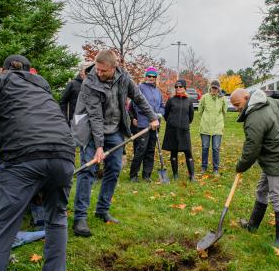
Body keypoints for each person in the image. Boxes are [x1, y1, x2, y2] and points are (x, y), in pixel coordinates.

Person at [0, 55, 75, 271]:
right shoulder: (43, 89)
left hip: (21, 158)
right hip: (63, 155)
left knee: (0, 229)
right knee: (56, 219)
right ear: (31, 71)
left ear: (1, 70)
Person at [71, 49, 159, 237]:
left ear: (114, 67)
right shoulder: (89, 83)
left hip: (115, 130)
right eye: (98, 70)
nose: (99, 73)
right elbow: (95, 117)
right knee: (87, 171)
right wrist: (99, 146)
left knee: (114, 169)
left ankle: (102, 210)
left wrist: (152, 117)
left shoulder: (124, 78)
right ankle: (80, 217)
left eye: (103, 70)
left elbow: (138, 98)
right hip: (91, 131)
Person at [230, 88, 279, 248]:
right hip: (272, 155)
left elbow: (251, 149)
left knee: (278, 198)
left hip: (278, 157)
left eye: (238, 105)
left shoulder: (255, 118)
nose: (237, 108)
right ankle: (252, 225)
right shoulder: (267, 101)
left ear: (247, 97)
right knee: (261, 190)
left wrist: (240, 166)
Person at [129, 67, 165, 182]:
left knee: (150, 150)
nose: (151, 78)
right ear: (145, 76)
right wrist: (150, 117)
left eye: (153, 77)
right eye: (149, 76)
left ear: (156, 78)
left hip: (155, 125)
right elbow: (136, 105)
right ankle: (134, 175)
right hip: (144, 124)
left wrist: (159, 115)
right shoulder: (140, 88)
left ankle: (146, 175)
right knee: (141, 149)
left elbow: (162, 106)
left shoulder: (157, 91)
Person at [162, 79, 195, 181]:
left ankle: (192, 175)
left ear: (185, 88)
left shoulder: (189, 101)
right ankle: (175, 174)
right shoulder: (171, 100)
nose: (178, 88)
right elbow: (166, 115)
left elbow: (191, 116)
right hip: (172, 130)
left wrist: (184, 124)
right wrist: (173, 122)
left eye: (180, 87)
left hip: (184, 130)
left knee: (188, 153)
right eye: (176, 87)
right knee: (174, 153)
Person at [198, 80, 227, 175]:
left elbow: (224, 111)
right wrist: (206, 119)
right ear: (210, 87)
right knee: (205, 147)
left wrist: (219, 121)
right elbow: (200, 111)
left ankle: (216, 169)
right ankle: (203, 167)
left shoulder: (222, 99)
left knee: (215, 148)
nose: (214, 89)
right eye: (213, 87)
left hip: (217, 127)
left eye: (216, 88)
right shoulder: (204, 97)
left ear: (219, 89)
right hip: (205, 126)